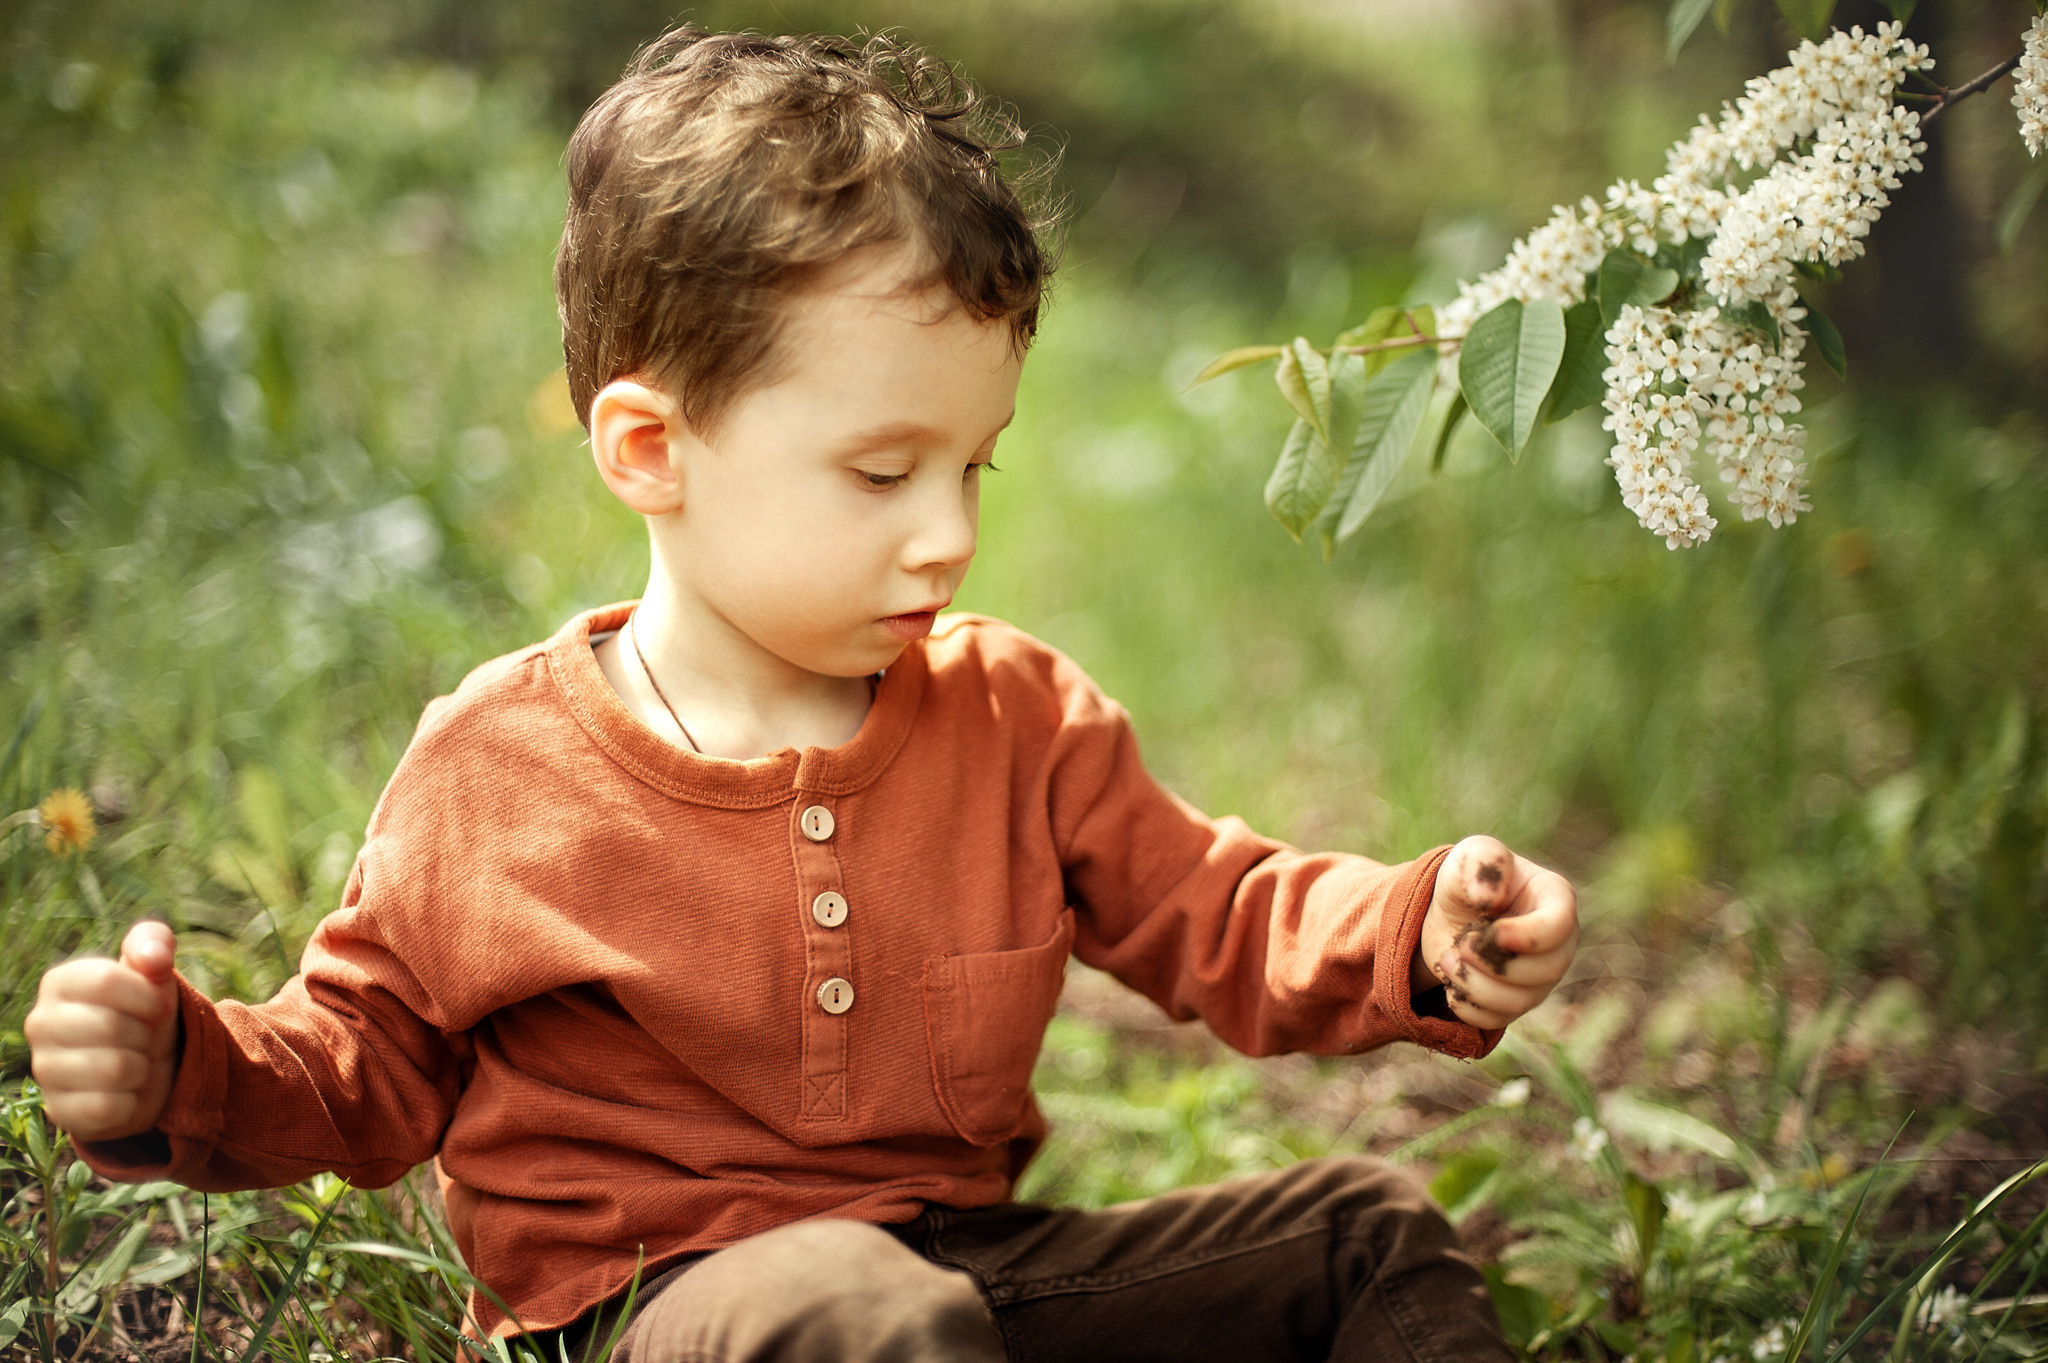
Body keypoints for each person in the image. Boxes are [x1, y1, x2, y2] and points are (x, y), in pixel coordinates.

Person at [25, 26, 1579, 1363]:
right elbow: (357, 1067)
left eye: (975, 466)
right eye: (881, 470)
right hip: (653, 1314)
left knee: (1364, 1230)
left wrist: (1414, 925)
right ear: (651, 448)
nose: (950, 534)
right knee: (860, 1315)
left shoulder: (1015, 722)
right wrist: (183, 1072)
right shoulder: (502, 769)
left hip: (953, 1285)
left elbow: (1219, 912)